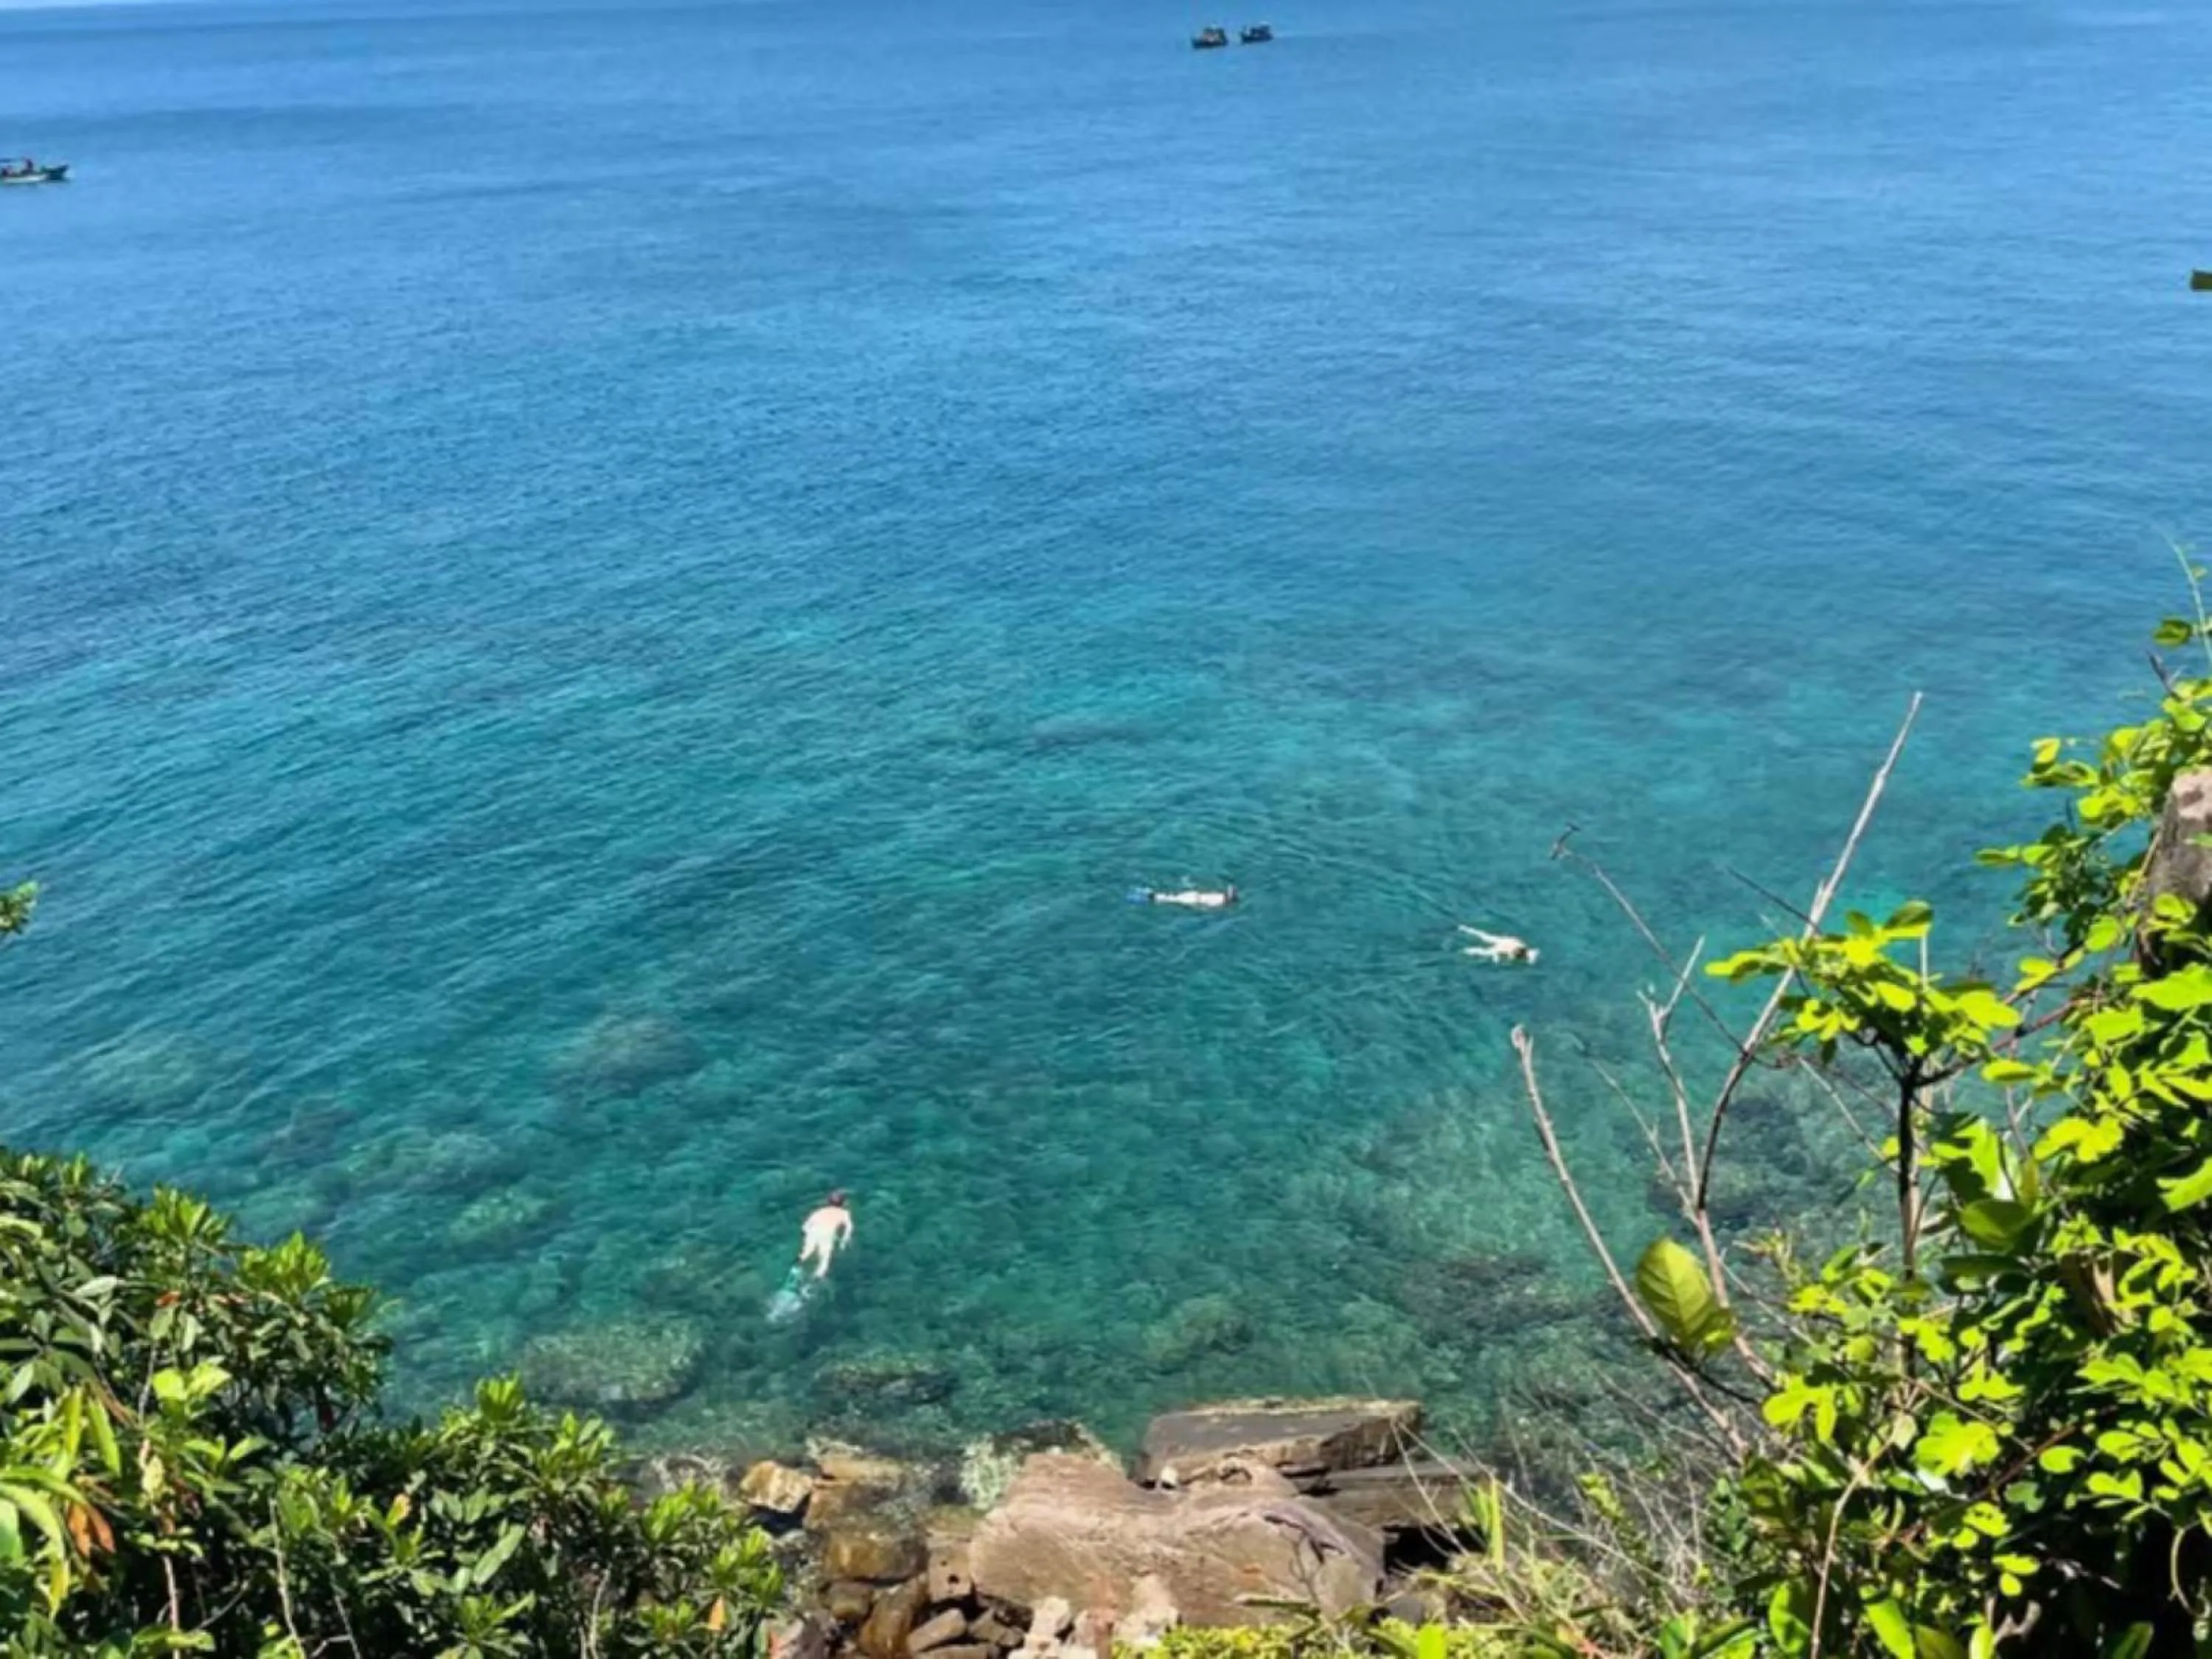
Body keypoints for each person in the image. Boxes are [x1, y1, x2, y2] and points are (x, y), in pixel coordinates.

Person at [797, 1190, 854, 1279]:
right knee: (824, 1259)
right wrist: (843, 1242)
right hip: (826, 1234)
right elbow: (849, 1228)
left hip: (813, 1231)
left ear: (828, 1202)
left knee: (806, 1253)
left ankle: (797, 1265)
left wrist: (806, 1234)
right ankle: (815, 1279)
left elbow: (805, 1227)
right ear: (843, 1203)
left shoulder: (820, 1211)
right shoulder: (844, 1213)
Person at [1459, 925, 1538, 964]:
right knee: (1485, 952)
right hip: (1501, 947)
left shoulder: (1522, 945)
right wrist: (1496, 957)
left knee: (1484, 936)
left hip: (1503, 941)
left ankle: (1465, 928)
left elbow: (1514, 940)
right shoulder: (1514, 954)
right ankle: (1465, 951)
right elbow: (1508, 957)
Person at [1134, 883, 1239, 910]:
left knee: (1172, 898)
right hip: (1194, 898)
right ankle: (1152, 897)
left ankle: (1151, 897)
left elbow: (1205, 905)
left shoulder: (1221, 900)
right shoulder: (1221, 901)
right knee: (1172, 899)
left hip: (1194, 898)